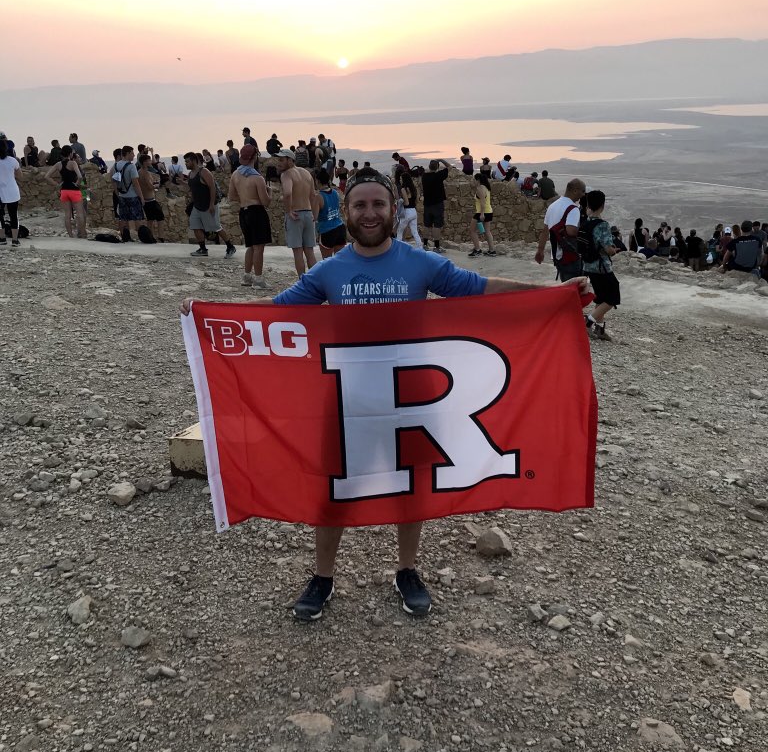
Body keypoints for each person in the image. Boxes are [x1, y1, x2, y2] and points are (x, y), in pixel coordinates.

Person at [181, 169, 591, 622]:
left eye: (378, 204)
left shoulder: (420, 263)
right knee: (331, 492)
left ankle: (407, 570)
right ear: (347, 212)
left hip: (414, 404)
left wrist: (553, 294)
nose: (370, 213)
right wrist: (206, 312)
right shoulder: (330, 270)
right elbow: (279, 312)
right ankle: (322, 576)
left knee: (412, 489)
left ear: (393, 210)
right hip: (345, 405)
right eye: (360, 205)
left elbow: (483, 292)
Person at [228, 144, 271, 286]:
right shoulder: (257, 178)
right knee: (259, 247)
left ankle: (247, 277)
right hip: (256, 212)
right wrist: (269, 193)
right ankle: (258, 279)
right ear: (254, 157)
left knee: (251, 246)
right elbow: (265, 202)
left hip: (243, 212)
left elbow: (232, 196)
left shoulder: (235, 174)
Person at [580, 190, 620, 341]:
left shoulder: (585, 223)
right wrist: (614, 250)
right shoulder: (602, 225)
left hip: (588, 267)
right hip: (601, 267)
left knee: (601, 298)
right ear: (602, 206)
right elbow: (608, 249)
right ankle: (588, 322)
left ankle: (600, 330)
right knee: (612, 298)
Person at [184, 152, 237, 258]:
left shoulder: (204, 171)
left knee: (216, 227)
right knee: (195, 226)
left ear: (194, 161)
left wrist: (212, 204)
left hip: (208, 206)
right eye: (185, 161)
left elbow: (212, 187)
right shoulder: (191, 174)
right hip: (197, 206)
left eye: (187, 161)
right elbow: (192, 188)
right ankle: (203, 249)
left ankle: (230, 246)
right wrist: (182, 183)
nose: (186, 164)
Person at [534, 178, 586, 281]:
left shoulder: (552, 206)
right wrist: (584, 233)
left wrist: (540, 250)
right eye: (583, 191)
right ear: (575, 190)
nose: (584, 194)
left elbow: (545, 231)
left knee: (566, 287)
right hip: (571, 257)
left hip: (558, 257)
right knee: (576, 290)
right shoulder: (573, 208)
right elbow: (571, 231)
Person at [277, 148, 318, 276]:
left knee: (298, 251)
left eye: (282, 160)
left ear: (290, 160)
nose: (279, 162)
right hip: (308, 213)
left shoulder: (286, 174)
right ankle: (315, 281)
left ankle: (302, 282)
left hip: (295, 215)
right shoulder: (306, 173)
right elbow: (313, 195)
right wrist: (314, 215)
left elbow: (288, 193)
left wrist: (289, 211)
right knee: (309, 251)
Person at [45, 144, 86, 238]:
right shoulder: (73, 163)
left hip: (64, 191)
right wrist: (77, 183)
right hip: (74, 190)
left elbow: (46, 176)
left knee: (67, 214)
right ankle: (82, 234)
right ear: (70, 153)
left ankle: (71, 236)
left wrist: (57, 185)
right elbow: (80, 176)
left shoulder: (58, 164)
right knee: (80, 214)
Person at [113, 145, 146, 241]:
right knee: (137, 218)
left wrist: (117, 193)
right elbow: (136, 184)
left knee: (123, 218)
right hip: (133, 196)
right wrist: (142, 197)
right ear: (127, 154)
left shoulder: (116, 165)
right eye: (132, 153)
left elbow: (114, 181)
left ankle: (124, 237)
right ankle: (142, 238)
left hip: (122, 196)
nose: (134, 155)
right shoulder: (131, 166)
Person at [420, 158, 450, 252]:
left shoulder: (424, 176)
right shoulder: (439, 175)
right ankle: (436, 247)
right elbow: (449, 167)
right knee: (437, 226)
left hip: (427, 204)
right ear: (437, 168)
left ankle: (425, 245)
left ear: (429, 167)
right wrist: (441, 160)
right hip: (437, 204)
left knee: (426, 225)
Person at [315, 168, 346, 258]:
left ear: (317, 181)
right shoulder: (335, 193)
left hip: (327, 230)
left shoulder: (318, 197)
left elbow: (315, 216)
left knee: (327, 262)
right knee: (339, 260)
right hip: (340, 228)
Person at [137, 154, 166, 241]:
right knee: (160, 218)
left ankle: (151, 237)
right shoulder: (145, 173)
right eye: (149, 160)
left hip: (146, 200)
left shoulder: (139, 172)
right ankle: (161, 237)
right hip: (150, 200)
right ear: (145, 162)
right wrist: (157, 185)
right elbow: (150, 186)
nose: (150, 162)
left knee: (150, 219)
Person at [0, 138, 22, 248]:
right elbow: (20, 176)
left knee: (0, 217)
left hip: (0, 193)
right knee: (14, 216)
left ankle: (2, 238)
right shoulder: (13, 161)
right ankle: (15, 240)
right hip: (12, 191)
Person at [469, 173, 495, 257]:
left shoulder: (480, 188)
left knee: (472, 230)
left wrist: (482, 214)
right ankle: (492, 250)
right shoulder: (486, 187)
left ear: (478, 180)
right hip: (489, 211)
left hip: (481, 212)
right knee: (487, 231)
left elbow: (483, 202)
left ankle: (477, 250)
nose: (473, 181)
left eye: (474, 179)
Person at [395, 170, 423, 249]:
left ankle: (397, 249)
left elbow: (406, 203)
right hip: (414, 211)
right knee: (415, 232)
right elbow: (417, 201)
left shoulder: (404, 189)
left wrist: (400, 202)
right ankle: (420, 249)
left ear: (404, 179)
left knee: (399, 231)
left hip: (407, 212)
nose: (400, 180)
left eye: (401, 179)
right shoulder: (414, 188)